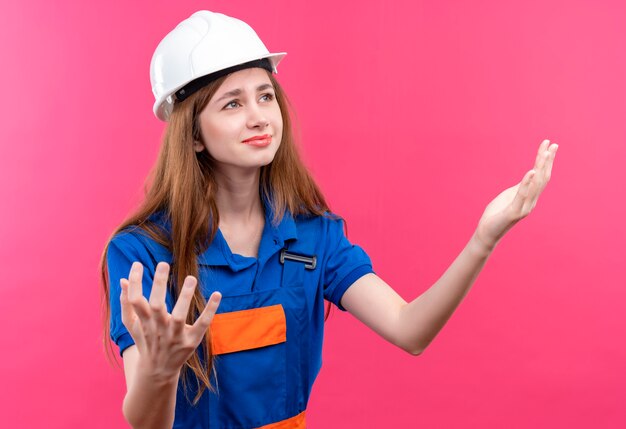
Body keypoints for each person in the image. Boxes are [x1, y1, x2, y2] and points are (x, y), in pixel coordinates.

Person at [100, 10, 558, 429]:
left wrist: (484, 238)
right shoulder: (142, 252)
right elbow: (145, 424)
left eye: (265, 95)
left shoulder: (313, 235)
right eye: (232, 104)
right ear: (194, 134)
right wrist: (160, 373)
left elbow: (410, 330)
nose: (260, 118)